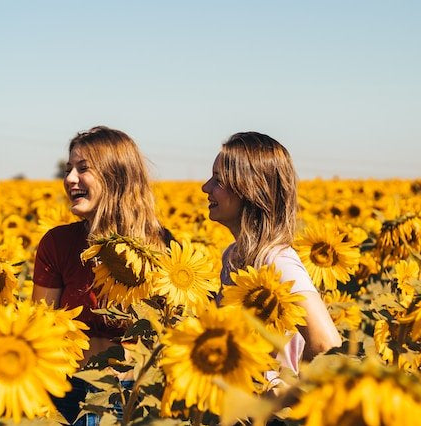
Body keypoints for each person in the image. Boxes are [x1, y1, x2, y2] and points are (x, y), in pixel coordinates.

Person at [32, 126, 172, 425]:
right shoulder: (58, 243)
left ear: (116, 176)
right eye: (69, 169)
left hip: (134, 396)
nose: (69, 179)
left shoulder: (162, 248)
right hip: (69, 393)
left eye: (83, 169)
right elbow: (40, 327)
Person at [201, 132, 341, 380]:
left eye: (218, 180)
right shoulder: (234, 256)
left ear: (250, 189)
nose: (206, 188)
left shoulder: (276, 260)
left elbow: (326, 345)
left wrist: (285, 396)